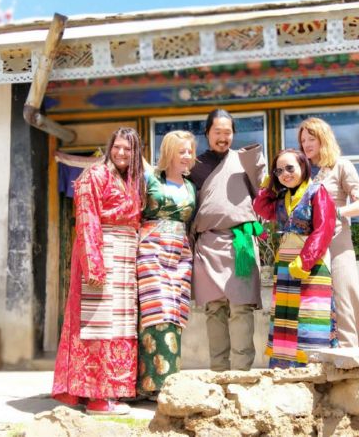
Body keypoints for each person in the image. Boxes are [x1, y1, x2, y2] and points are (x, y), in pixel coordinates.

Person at [52, 127, 146, 415]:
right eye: (117, 147)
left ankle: (93, 392)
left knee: (120, 326)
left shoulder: (133, 180)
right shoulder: (95, 175)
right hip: (102, 253)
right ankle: (97, 396)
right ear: (109, 148)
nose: (121, 153)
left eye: (128, 149)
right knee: (99, 325)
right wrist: (94, 263)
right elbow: (87, 218)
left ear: (136, 153)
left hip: (126, 257)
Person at [188, 109, 266, 372]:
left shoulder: (244, 161)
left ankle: (242, 373)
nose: (223, 138)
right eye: (217, 132)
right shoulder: (194, 167)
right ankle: (219, 372)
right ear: (207, 133)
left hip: (239, 243)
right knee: (214, 309)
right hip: (207, 245)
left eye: (227, 132)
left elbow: (264, 192)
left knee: (241, 308)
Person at [253, 149, 338, 368]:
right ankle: (283, 369)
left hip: (311, 264)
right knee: (286, 317)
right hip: (285, 265)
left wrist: (305, 261)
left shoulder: (318, 191)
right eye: (279, 171)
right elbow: (261, 208)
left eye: (290, 168)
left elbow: (324, 229)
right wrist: (267, 186)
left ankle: (313, 368)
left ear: (303, 166)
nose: (285, 174)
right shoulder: (282, 197)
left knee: (311, 314)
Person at [298, 117, 359, 347]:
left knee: (344, 296)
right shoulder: (300, 171)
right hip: (307, 245)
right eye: (302, 140)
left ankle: (353, 352)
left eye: (311, 139)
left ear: (323, 139)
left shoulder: (341, 165)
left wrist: (336, 213)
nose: (306, 144)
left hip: (337, 240)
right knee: (312, 302)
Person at [136, 130, 197, 397]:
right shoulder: (150, 180)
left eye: (189, 151)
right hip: (151, 249)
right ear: (169, 152)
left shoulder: (190, 186)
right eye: (181, 151)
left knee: (174, 313)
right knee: (155, 310)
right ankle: (151, 384)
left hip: (180, 254)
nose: (187, 156)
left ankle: (170, 383)